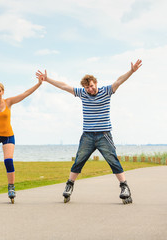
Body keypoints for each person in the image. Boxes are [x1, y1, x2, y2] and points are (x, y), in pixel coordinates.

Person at [36, 59, 142, 204]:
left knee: (113, 160)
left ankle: (124, 188)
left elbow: (118, 81)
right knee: (79, 160)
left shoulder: (106, 91)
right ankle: (69, 185)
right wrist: (47, 79)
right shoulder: (82, 94)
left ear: (95, 83)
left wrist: (131, 71)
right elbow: (64, 86)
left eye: (91, 86)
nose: (90, 89)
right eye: (87, 87)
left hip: (104, 134)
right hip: (87, 135)